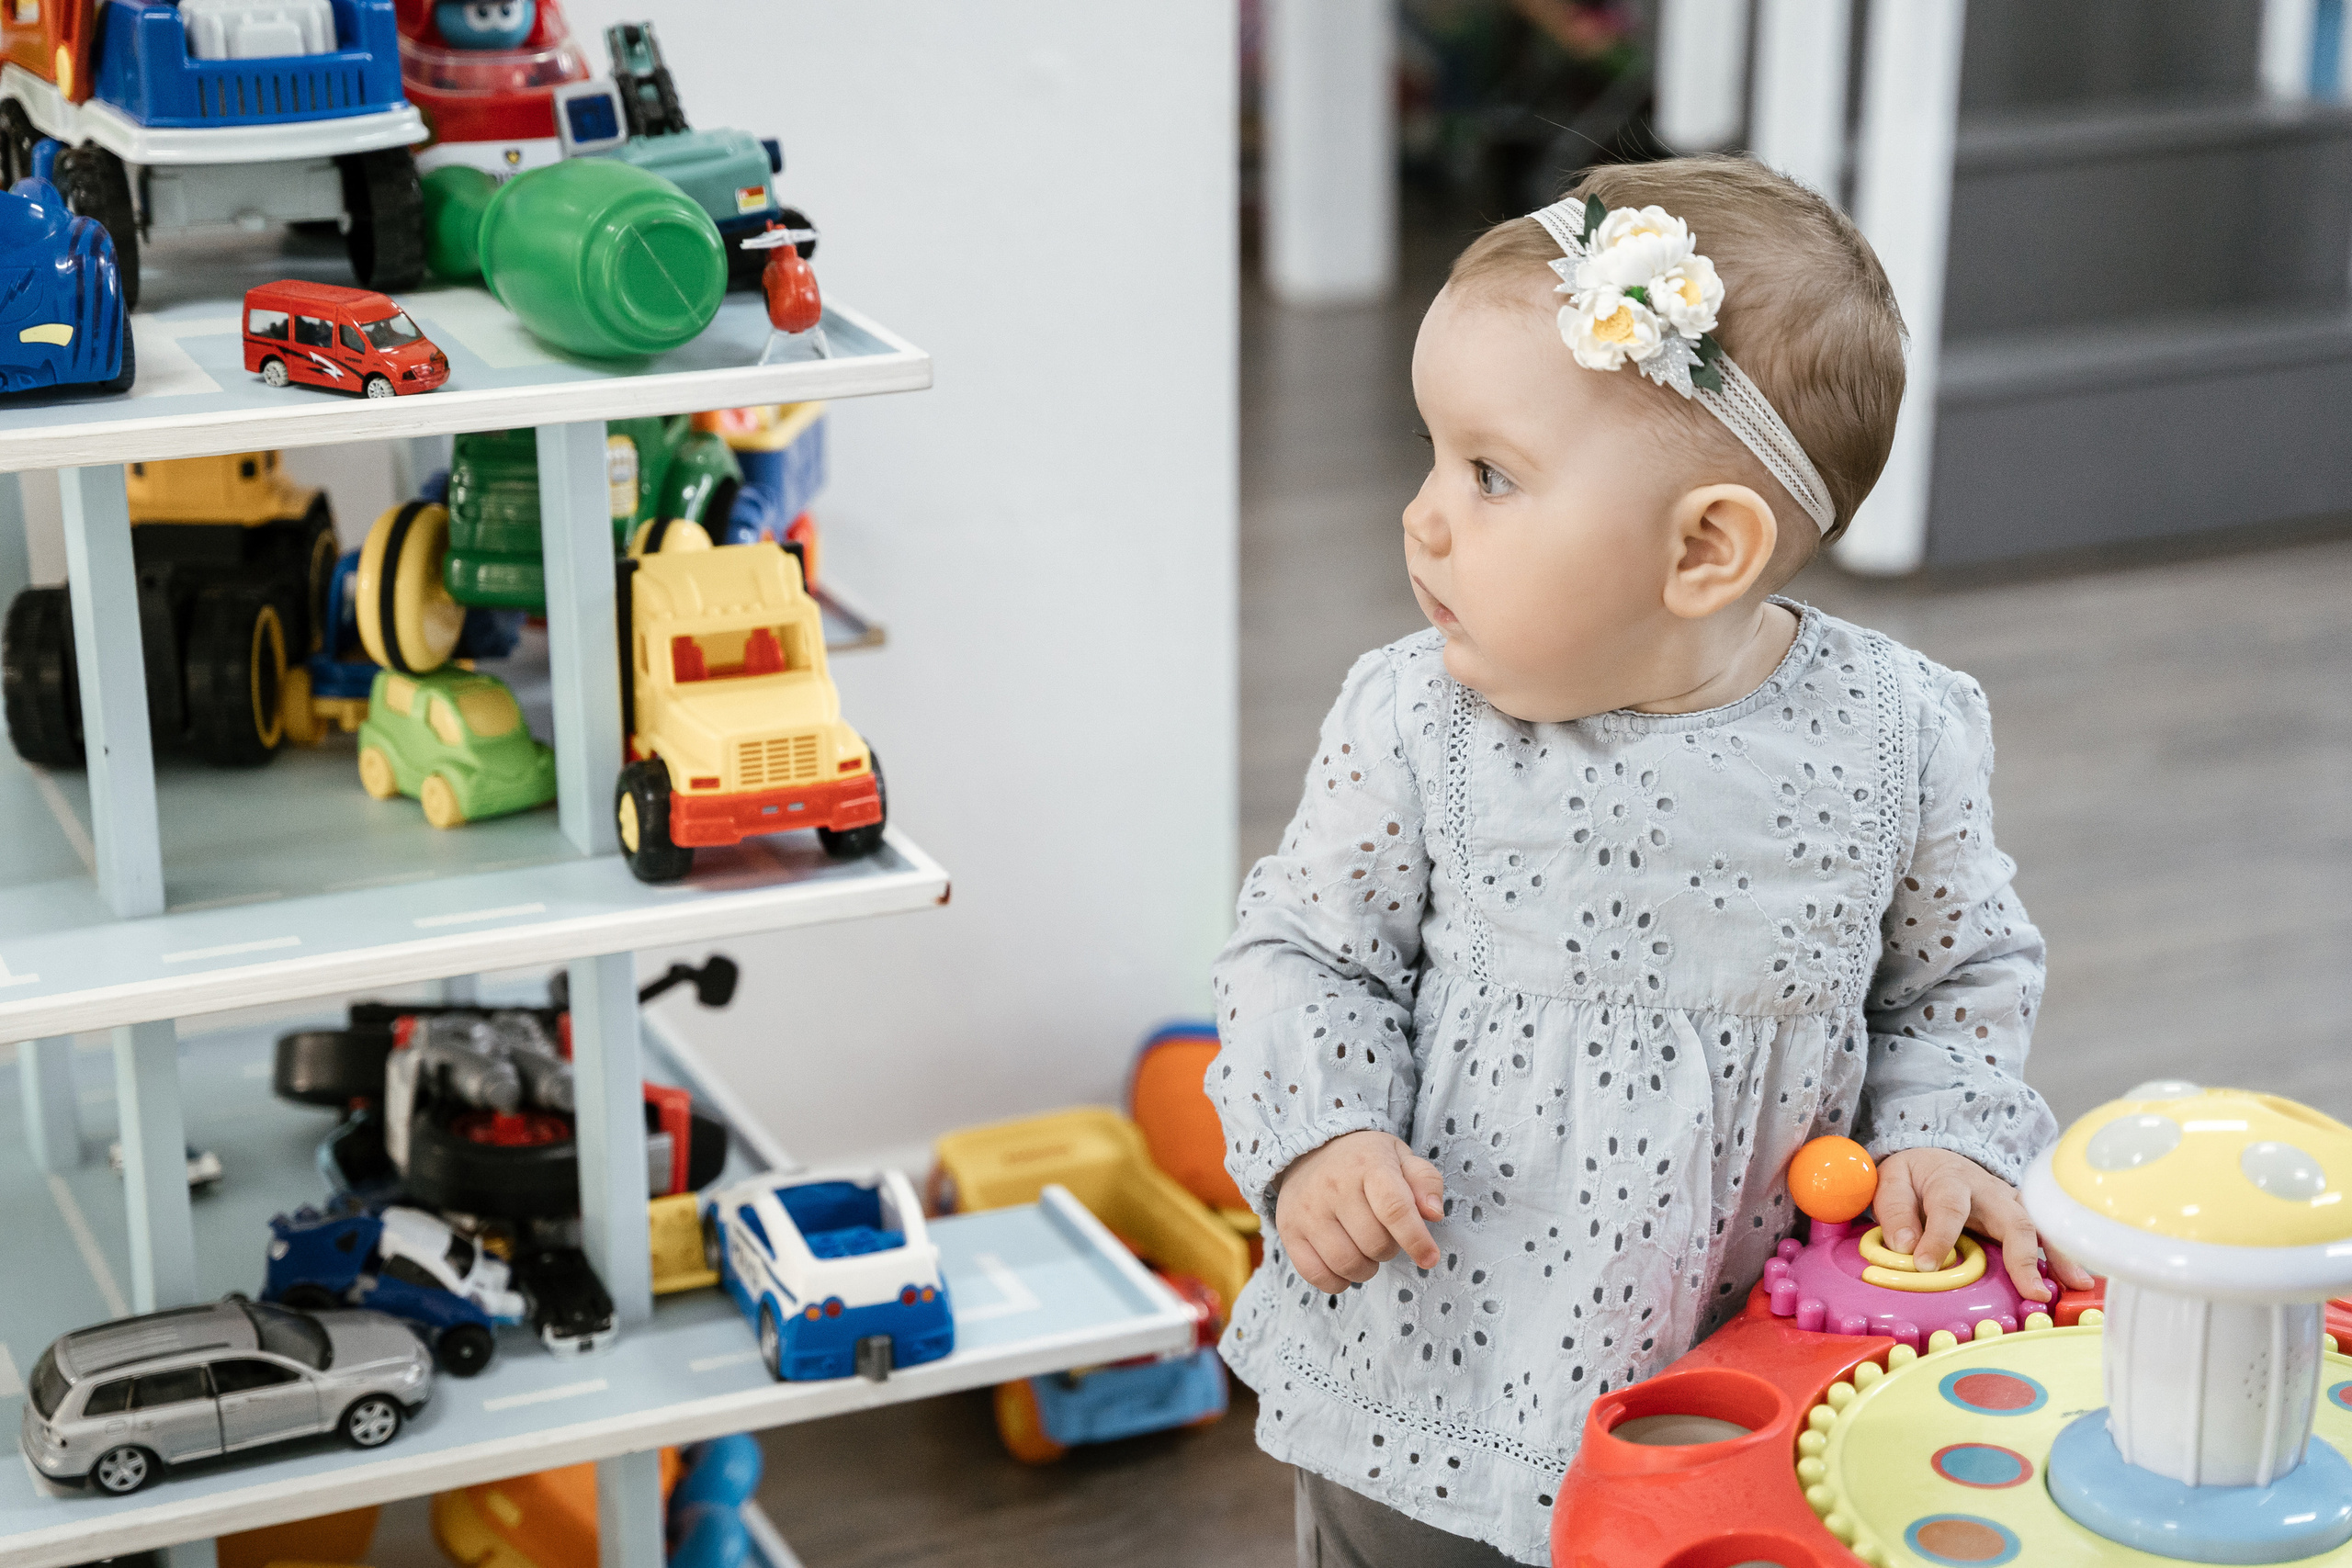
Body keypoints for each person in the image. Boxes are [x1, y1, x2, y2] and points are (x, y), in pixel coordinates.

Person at [1207, 154, 2092, 1568]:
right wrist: (1324, 1131)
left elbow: (1956, 980)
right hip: (1436, 1366)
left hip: (1744, 1387)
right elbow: (1308, 953)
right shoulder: (1417, 721)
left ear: (1706, 552)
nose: (1421, 515)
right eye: (1433, 454)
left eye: (1491, 473)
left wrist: (1939, 1130)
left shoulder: (1895, 738)